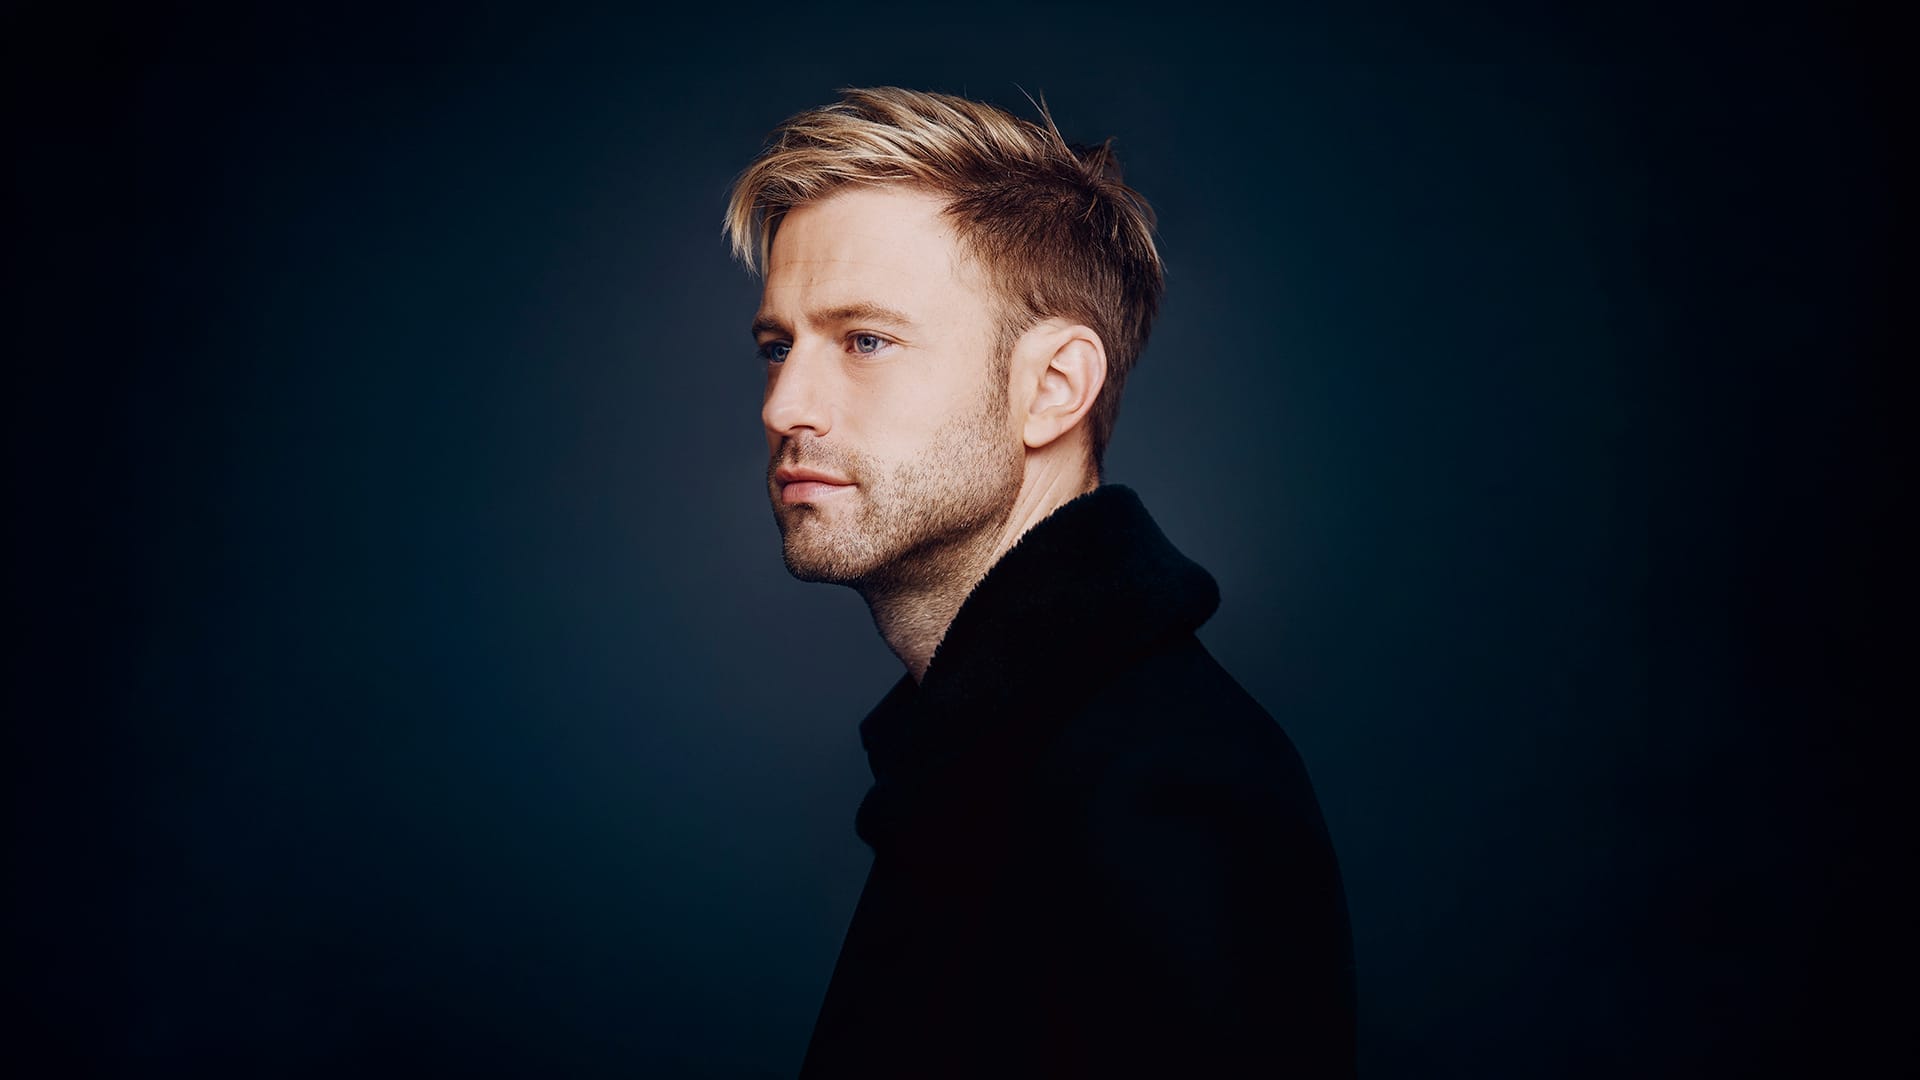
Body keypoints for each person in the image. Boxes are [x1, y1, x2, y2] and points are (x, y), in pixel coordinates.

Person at [725, 87, 1355, 1078]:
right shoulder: (983, 761)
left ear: (1054, 387)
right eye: (778, 345)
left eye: (866, 340)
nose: (784, 404)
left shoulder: (1165, 789)